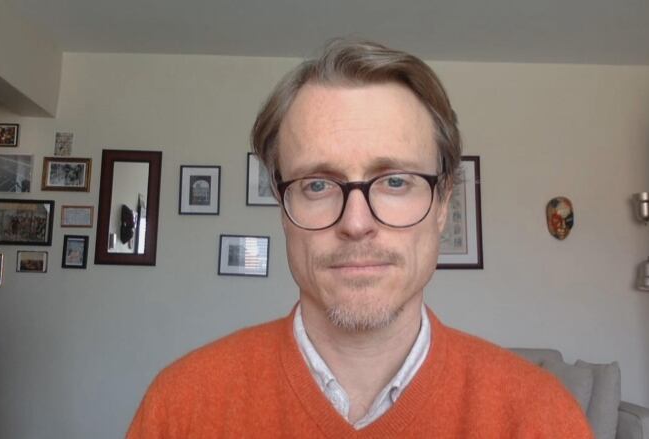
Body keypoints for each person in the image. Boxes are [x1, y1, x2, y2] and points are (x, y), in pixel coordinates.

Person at [126, 38, 592, 438]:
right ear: (283, 207)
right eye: (317, 184)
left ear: (443, 202)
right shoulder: (180, 408)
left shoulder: (540, 418)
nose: (355, 223)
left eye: (394, 182)